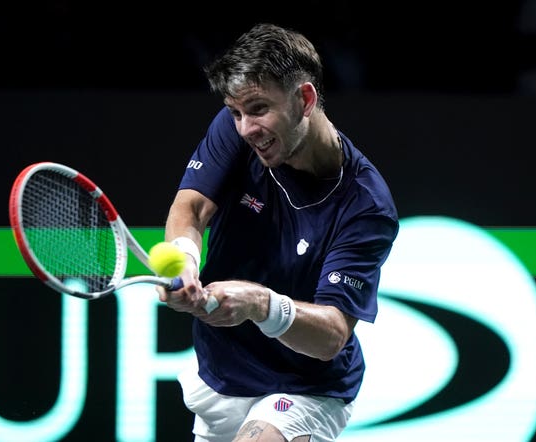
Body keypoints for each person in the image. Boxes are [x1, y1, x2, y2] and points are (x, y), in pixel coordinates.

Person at [157, 23, 399, 442]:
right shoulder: (236, 131)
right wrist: (184, 260)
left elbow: (332, 336)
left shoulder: (366, 205)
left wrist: (262, 304)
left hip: (304, 386)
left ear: (304, 99)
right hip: (222, 372)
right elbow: (192, 207)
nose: (246, 127)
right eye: (236, 113)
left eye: (258, 109)